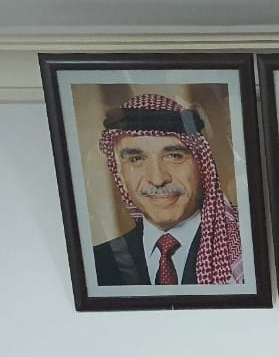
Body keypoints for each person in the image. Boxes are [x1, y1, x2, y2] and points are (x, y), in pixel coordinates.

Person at [94, 92, 243, 286]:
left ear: (202, 166)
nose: (157, 179)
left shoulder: (242, 251)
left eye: (174, 156)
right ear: (120, 174)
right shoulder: (99, 263)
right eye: (136, 159)